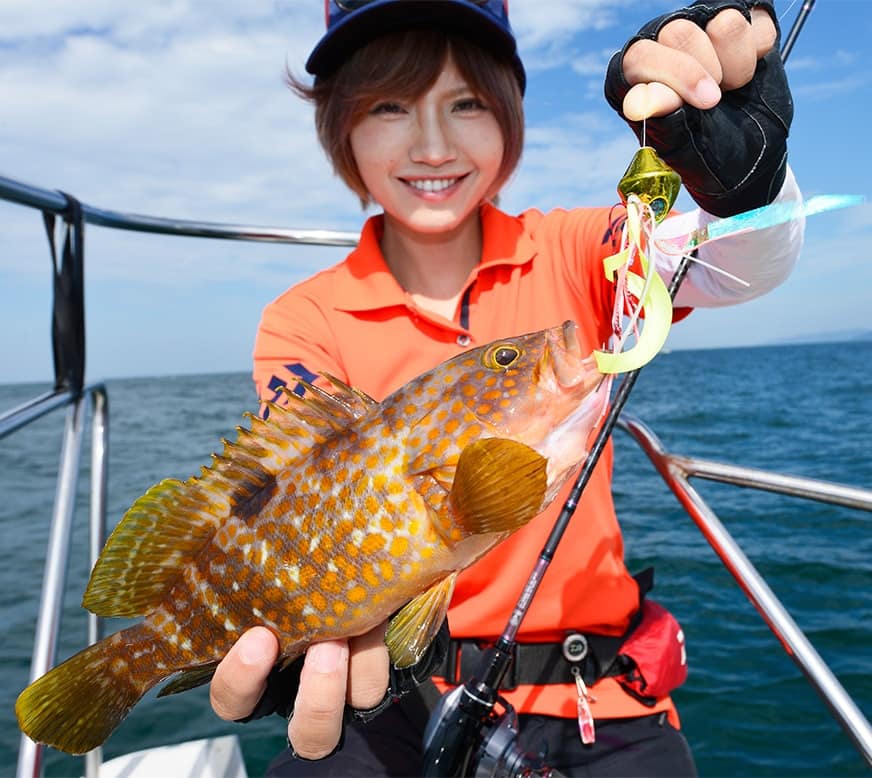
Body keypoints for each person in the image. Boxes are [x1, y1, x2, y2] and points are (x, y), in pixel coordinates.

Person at [209, 1, 804, 774]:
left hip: (597, 695)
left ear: (510, 116)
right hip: (387, 689)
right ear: (339, 127)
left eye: (465, 104)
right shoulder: (305, 320)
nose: (432, 145)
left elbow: (732, 263)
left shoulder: (572, 249)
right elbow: (301, 512)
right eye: (389, 107)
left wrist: (744, 185)